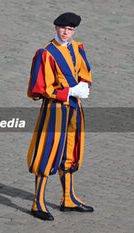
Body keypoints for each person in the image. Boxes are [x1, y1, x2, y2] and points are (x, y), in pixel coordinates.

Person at [27, 12, 93, 221]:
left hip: (74, 108)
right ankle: (37, 202)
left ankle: (68, 198)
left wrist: (84, 85)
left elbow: (85, 73)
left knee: (71, 150)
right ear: (56, 27)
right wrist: (69, 91)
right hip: (55, 109)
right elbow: (37, 88)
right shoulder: (45, 53)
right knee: (47, 151)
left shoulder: (78, 48)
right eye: (63, 28)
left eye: (71, 29)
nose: (66, 32)